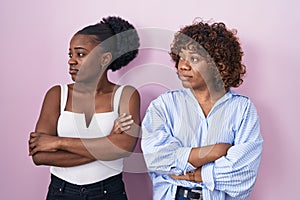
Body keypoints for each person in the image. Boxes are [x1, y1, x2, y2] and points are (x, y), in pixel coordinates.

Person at [141, 20, 263, 200]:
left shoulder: (242, 109)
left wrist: (190, 174)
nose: (183, 66)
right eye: (181, 57)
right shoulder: (163, 106)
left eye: (194, 59)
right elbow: (156, 158)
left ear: (218, 65)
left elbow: (242, 174)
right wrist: (215, 151)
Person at [28, 16, 140, 200]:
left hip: (108, 192)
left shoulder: (126, 95)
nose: (71, 61)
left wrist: (58, 142)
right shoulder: (57, 95)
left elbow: (124, 148)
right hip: (61, 192)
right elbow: (39, 156)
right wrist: (107, 144)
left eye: (80, 54)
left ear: (105, 58)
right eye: (70, 55)